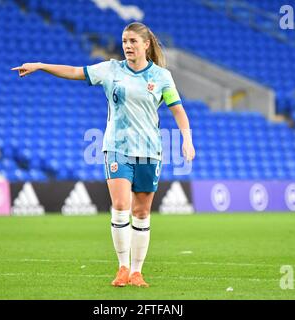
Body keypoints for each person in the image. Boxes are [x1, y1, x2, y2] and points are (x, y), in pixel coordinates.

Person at [12, 22, 195, 288]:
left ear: (146, 44)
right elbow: (75, 72)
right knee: (121, 206)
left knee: (142, 212)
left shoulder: (162, 77)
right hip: (116, 148)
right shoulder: (110, 70)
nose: (128, 46)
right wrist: (41, 65)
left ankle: (136, 271)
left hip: (149, 151)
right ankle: (122, 267)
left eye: (133, 41)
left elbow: (177, 110)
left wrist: (186, 140)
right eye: (124, 41)